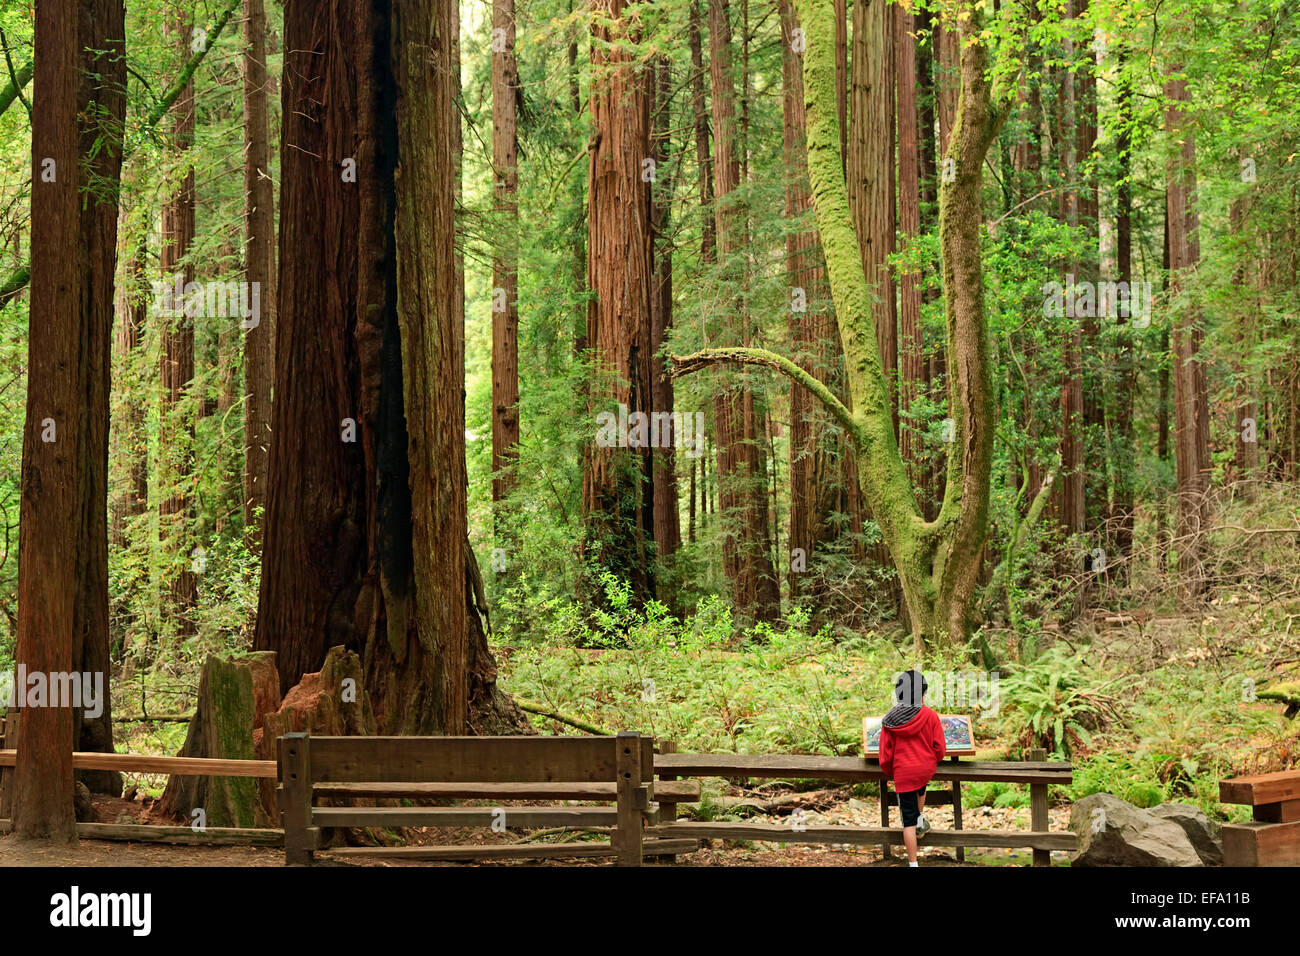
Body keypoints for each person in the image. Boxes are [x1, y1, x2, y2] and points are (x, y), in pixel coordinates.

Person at [878, 669, 946, 867]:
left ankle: (913, 863)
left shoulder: (890, 720)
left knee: (906, 823)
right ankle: (920, 819)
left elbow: (885, 753)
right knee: (921, 785)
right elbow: (940, 747)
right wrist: (935, 759)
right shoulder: (930, 715)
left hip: (904, 773)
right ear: (921, 694)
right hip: (924, 769)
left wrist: (889, 771)